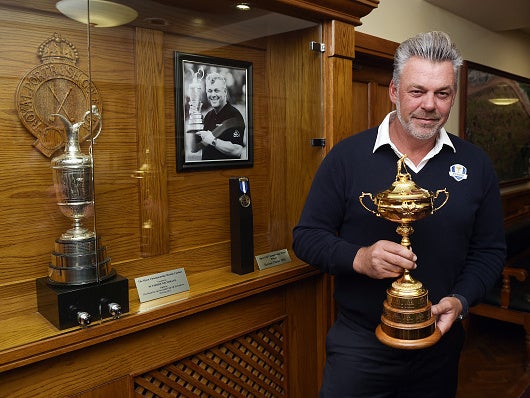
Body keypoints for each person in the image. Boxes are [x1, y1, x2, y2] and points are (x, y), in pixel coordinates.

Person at [292, 31, 506, 398]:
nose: (430, 105)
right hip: (359, 347)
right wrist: (359, 257)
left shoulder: (476, 164)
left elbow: (489, 251)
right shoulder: (347, 158)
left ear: (452, 96)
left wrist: (461, 300)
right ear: (394, 91)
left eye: (442, 93)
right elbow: (307, 236)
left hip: (439, 341)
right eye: (417, 91)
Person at [190, 72, 246, 160]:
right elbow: (194, 149)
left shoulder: (234, 115)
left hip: (225, 172)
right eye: (209, 91)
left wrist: (213, 140)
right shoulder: (208, 116)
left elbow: (237, 150)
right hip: (206, 172)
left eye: (216, 90)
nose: (213, 95)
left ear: (225, 92)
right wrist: (194, 126)